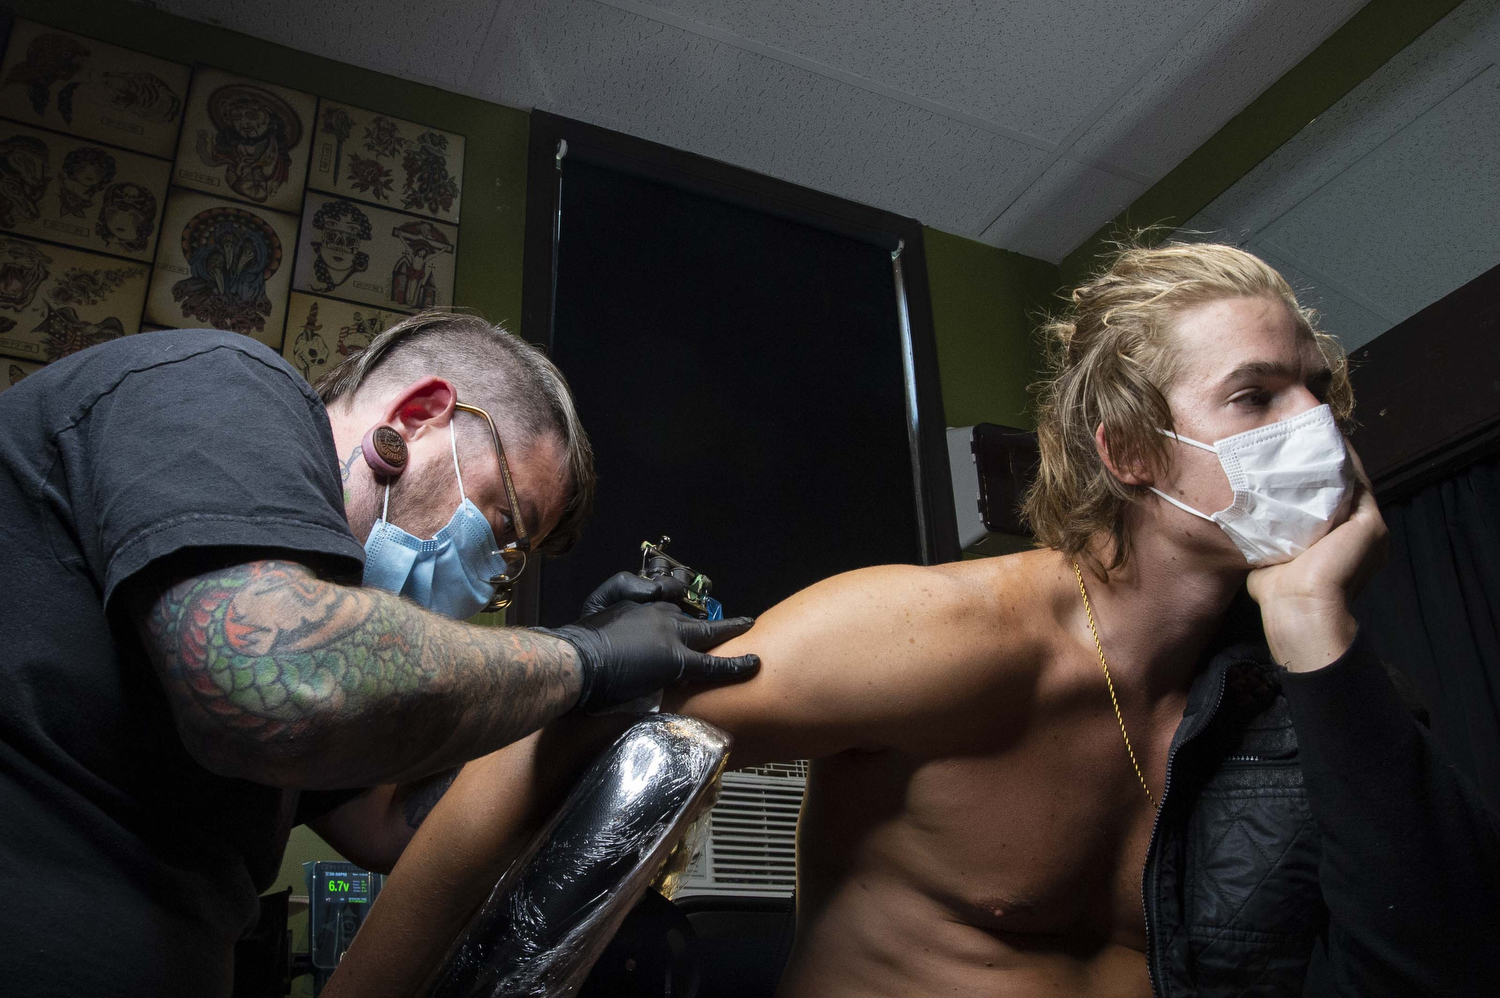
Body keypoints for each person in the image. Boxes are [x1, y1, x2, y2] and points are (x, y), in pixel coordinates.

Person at [327, 244, 1500, 998]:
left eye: (1318, 390)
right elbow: (543, 751)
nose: (1317, 425)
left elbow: (1437, 954)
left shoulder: (1296, 703)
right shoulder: (947, 633)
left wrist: (1312, 624)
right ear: (1133, 451)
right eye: (1256, 394)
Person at [0, 310, 760, 997]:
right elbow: (281, 684)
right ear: (421, 415)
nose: (494, 570)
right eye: (501, 520)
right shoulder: (223, 384)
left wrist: (591, 702)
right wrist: (582, 658)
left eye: (511, 555)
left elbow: (393, 827)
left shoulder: (321, 630)